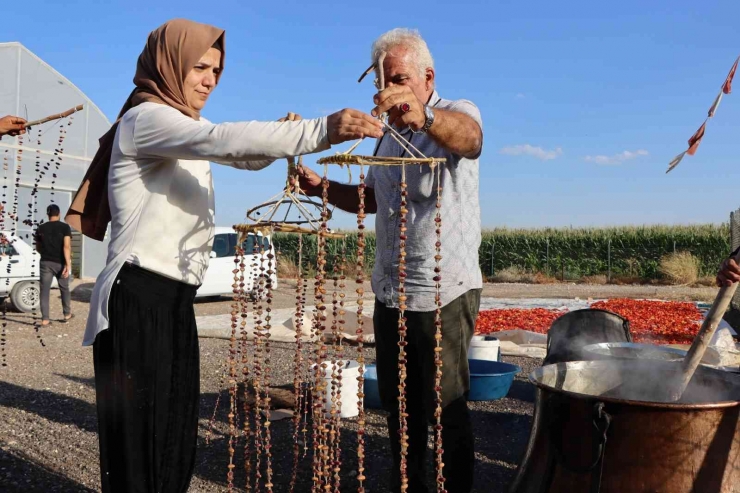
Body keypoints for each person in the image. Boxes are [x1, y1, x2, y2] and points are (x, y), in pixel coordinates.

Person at [65, 18, 383, 493]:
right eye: (198, 67)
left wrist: (281, 135)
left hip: (172, 297)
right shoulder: (145, 119)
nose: (209, 80)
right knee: (140, 440)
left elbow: (242, 155)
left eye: (216, 70)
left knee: (174, 431)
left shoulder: (184, 125)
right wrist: (320, 130)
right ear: (168, 65)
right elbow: (221, 142)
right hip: (138, 293)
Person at [297, 28, 483, 493]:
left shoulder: (456, 114)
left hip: (443, 293)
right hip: (392, 294)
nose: (388, 93)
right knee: (401, 410)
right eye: (382, 82)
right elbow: (372, 199)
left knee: (445, 409)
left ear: (427, 77)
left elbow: (471, 139)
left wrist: (423, 116)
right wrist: (320, 188)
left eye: (398, 79)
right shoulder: (387, 138)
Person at [35, 204, 73, 326]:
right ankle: (67, 314)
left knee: (44, 290)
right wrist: (68, 264)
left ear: (48, 215)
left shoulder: (41, 228)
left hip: (45, 263)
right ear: (59, 213)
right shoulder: (65, 227)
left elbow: (38, 247)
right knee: (64, 288)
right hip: (60, 262)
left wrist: (45, 253)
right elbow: (66, 246)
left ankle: (45, 319)